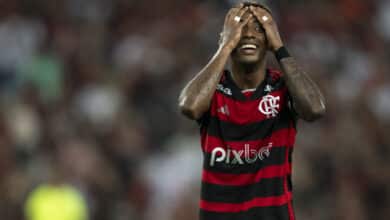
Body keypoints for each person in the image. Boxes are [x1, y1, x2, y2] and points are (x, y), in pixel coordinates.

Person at [178, 1, 326, 220]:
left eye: (259, 29)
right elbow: (189, 106)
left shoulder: (283, 87)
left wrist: (279, 47)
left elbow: (315, 109)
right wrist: (225, 47)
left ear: (269, 40)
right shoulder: (213, 90)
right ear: (225, 37)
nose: (248, 35)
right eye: (240, 28)